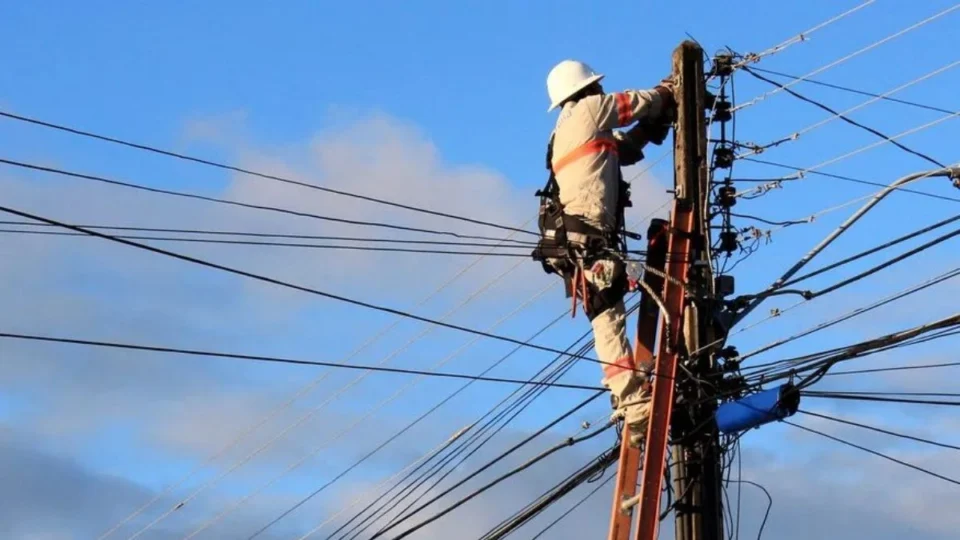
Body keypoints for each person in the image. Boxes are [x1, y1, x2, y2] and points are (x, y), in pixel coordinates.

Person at [540, 59, 675, 446]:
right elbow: (633, 103)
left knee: (606, 317)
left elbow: (625, 150)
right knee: (608, 318)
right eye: (596, 87)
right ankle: (634, 406)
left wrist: (654, 125)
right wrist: (669, 92)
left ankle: (630, 405)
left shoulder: (566, 130)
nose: (600, 91)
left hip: (581, 242)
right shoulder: (586, 110)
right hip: (590, 240)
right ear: (584, 91)